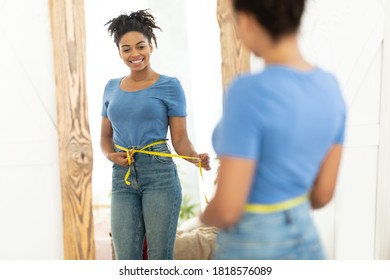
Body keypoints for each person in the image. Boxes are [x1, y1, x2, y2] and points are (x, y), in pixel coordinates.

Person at [200, 0, 346, 260]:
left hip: (254, 244)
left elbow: (228, 209)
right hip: (307, 240)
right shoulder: (330, 86)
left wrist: (203, 216)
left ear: (246, 20)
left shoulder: (247, 91)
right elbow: (323, 194)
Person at [101, 9, 210, 260]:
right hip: (123, 178)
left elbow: (180, 139)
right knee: (126, 258)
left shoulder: (169, 85)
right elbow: (105, 137)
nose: (134, 54)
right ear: (119, 52)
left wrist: (194, 157)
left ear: (151, 46)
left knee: (159, 258)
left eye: (140, 46)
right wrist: (111, 156)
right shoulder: (110, 88)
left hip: (159, 174)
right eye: (126, 49)